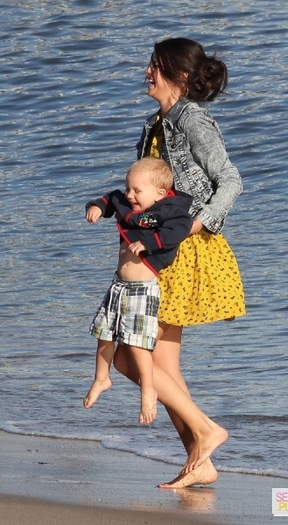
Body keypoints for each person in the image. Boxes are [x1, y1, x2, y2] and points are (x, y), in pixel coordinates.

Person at [113, 37, 246, 488]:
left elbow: (230, 180)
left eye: (154, 65)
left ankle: (208, 433)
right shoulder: (156, 123)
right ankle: (199, 459)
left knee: (132, 359)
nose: (146, 72)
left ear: (180, 75)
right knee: (160, 366)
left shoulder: (192, 119)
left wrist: (196, 224)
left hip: (184, 251)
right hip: (160, 251)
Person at [83, 157, 193, 424]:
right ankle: (101, 378)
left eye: (137, 191)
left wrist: (148, 243)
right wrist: (97, 207)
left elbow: (178, 230)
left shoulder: (170, 210)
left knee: (137, 343)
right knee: (104, 331)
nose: (130, 195)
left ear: (159, 193)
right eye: (128, 188)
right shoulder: (126, 201)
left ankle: (148, 388)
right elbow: (111, 199)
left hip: (143, 290)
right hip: (118, 286)